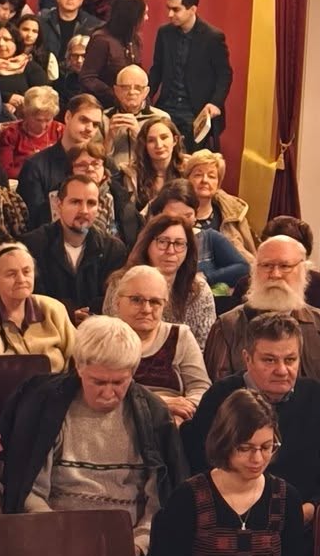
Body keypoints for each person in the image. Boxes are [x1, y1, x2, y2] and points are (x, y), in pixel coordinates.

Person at [0, 315, 186, 549]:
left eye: (119, 383)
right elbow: (27, 491)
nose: (108, 393)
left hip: (127, 543)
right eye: (98, 382)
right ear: (79, 367)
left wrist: (137, 546)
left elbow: (159, 504)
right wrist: (61, 538)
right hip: (53, 537)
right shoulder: (43, 403)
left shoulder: (154, 415)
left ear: (133, 373)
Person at [146, 387, 310, 556]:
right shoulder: (188, 498)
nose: (258, 459)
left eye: (267, 447)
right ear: (225, 443)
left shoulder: (286, 497)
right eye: (245, 448)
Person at [185, 309, 320, 513]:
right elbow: (200, 467)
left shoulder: (315, 395)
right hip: (232, 516)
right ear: (247, 358)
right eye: (269, 360)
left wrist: (310, 509)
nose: (282, 370)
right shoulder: (220, 396)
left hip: (302, 517)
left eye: (290, 360)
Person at [203, 235, 320, 385]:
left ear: (303, 271)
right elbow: (217, 393)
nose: (275, 274)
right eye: (266, 265)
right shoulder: (227, 327)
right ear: (254, 271)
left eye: (285, 266)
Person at [102, 264, 208, 425]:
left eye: (155, 302)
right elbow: (98, 392)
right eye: (136, 300)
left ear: (164, 305)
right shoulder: (104, 338)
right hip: (118, 422)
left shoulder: (180, 336)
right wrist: (158, 404)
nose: (146, 309)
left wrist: (184, 414)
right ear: (117, 302)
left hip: (172, 423)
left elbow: (200, 388)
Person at [107, 211, 217, 349]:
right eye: (163, 242)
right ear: (147, 244)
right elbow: (113, 337)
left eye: (179, 243)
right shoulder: (121, 283)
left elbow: (204, 346)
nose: (171, 251)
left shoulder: (199, 289)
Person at [26, 172, 125, 320]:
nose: (84, 210)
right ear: (59, 205)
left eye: (91, 203)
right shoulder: (33, 245)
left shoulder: (113, 249)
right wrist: (69, 313)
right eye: (75, 202)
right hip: (49, 326)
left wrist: (89, 315)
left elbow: (113, 299)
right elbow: (32, 297)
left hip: (98, 326)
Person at [0, 242, 74, 364]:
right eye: (11, 274)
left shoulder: (53, 309)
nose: (21, 280)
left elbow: (78, 355)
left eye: (26, 272)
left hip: (57, 376)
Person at [21, 92, 108, 226]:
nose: (89, 129)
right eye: (83, 120)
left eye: (95, 124)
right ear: (68, 117)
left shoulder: (105, 162)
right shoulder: (35, 166)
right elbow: (34, 220)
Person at [182, 150, 256, 293]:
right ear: (186, 179)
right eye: (198, 175)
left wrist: (208, 277)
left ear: (218, 183)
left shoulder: (234, 215)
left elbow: (249, 261)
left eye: (211, 176)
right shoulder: (174, 214)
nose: (205, 180)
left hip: (228, 290)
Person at [78, 0, 146, 105]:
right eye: (144, 14)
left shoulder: (134, 39)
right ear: (132, 17)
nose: (146, 18)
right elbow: (87, 78)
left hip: (130, 104)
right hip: (103, 104)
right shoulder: (101, 40)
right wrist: (115, 95)